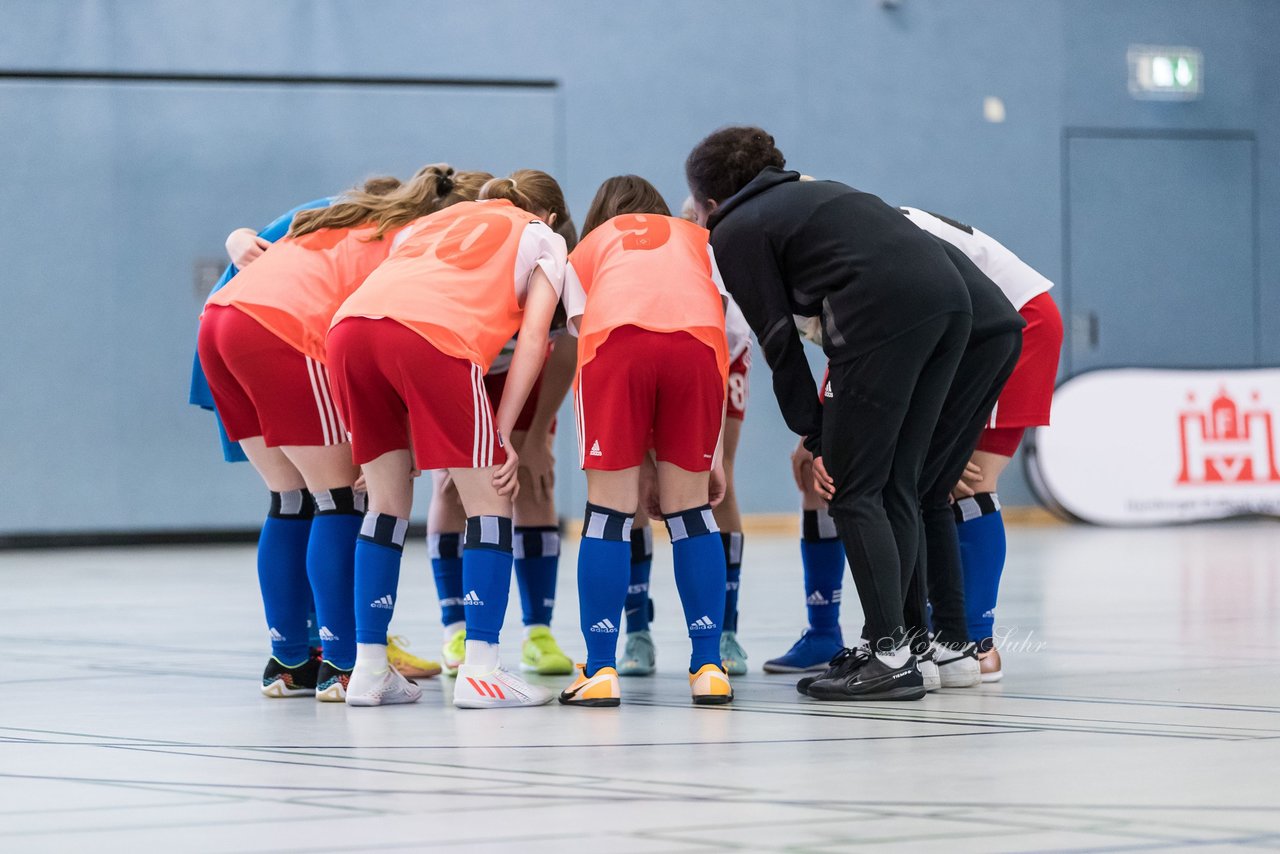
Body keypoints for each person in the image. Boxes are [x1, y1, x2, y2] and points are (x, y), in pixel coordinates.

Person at [687, 126, 975, 701]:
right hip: (952, 307)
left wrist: (815, 433)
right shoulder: (818, 193)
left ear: (711, 202)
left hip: (885, 318)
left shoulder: (735, 229)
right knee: (897, 484)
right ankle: (904, 644)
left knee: (853, 490)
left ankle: (890, 656)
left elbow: (777, 339)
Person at [198, 166, 484, 699]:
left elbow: (252, 242)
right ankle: (345, 665)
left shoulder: (350, 217)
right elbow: (400, 345)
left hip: (220, 319)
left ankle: (289, 662)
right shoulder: (419, 240)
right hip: (280, 327)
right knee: (338, 500)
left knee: (290, 501)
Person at [327, 169, 571, 708]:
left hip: (348, 331)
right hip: (435, 338)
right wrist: (501, 432)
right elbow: (534, 338)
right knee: (491, 500)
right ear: (550, 215)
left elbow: (388, 311)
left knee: (384, 505)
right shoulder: (542, 236)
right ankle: (481, 668)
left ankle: (368, 670)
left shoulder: (432, 222)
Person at [556, 174, 733, 707]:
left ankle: (602, 667)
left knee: (608, 514)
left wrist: (636, 464)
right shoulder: (699, 240)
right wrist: (715, 455)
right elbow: (715, 323)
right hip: (699, 350)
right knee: (692, 513)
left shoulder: (588, 248)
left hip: (616, 341)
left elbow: (588, 336)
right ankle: (709, 665)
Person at [902, 208, 1063, 682]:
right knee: (941, 479)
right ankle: (955, 634)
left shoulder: (867, 235)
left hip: (1012, 324)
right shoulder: (868, 225)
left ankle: (977, 642)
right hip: (979, 328)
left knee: (968, 480)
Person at [618, 198, 755, 678]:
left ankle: (724, 629)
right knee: (631, 486)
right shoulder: (617, 264)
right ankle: (637, 630)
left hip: (714, 351)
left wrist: (711, 452)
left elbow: (711, 356)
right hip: (645, 351)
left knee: (716, 484)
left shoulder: (698, 255)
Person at [428, 309, 579, 680]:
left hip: (522, 367)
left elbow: (569, 343)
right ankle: (456, 629)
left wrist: (540, 432)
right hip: (457, 360)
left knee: (533, 478)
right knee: (451, 487)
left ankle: (538, 631)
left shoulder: (552, 258)